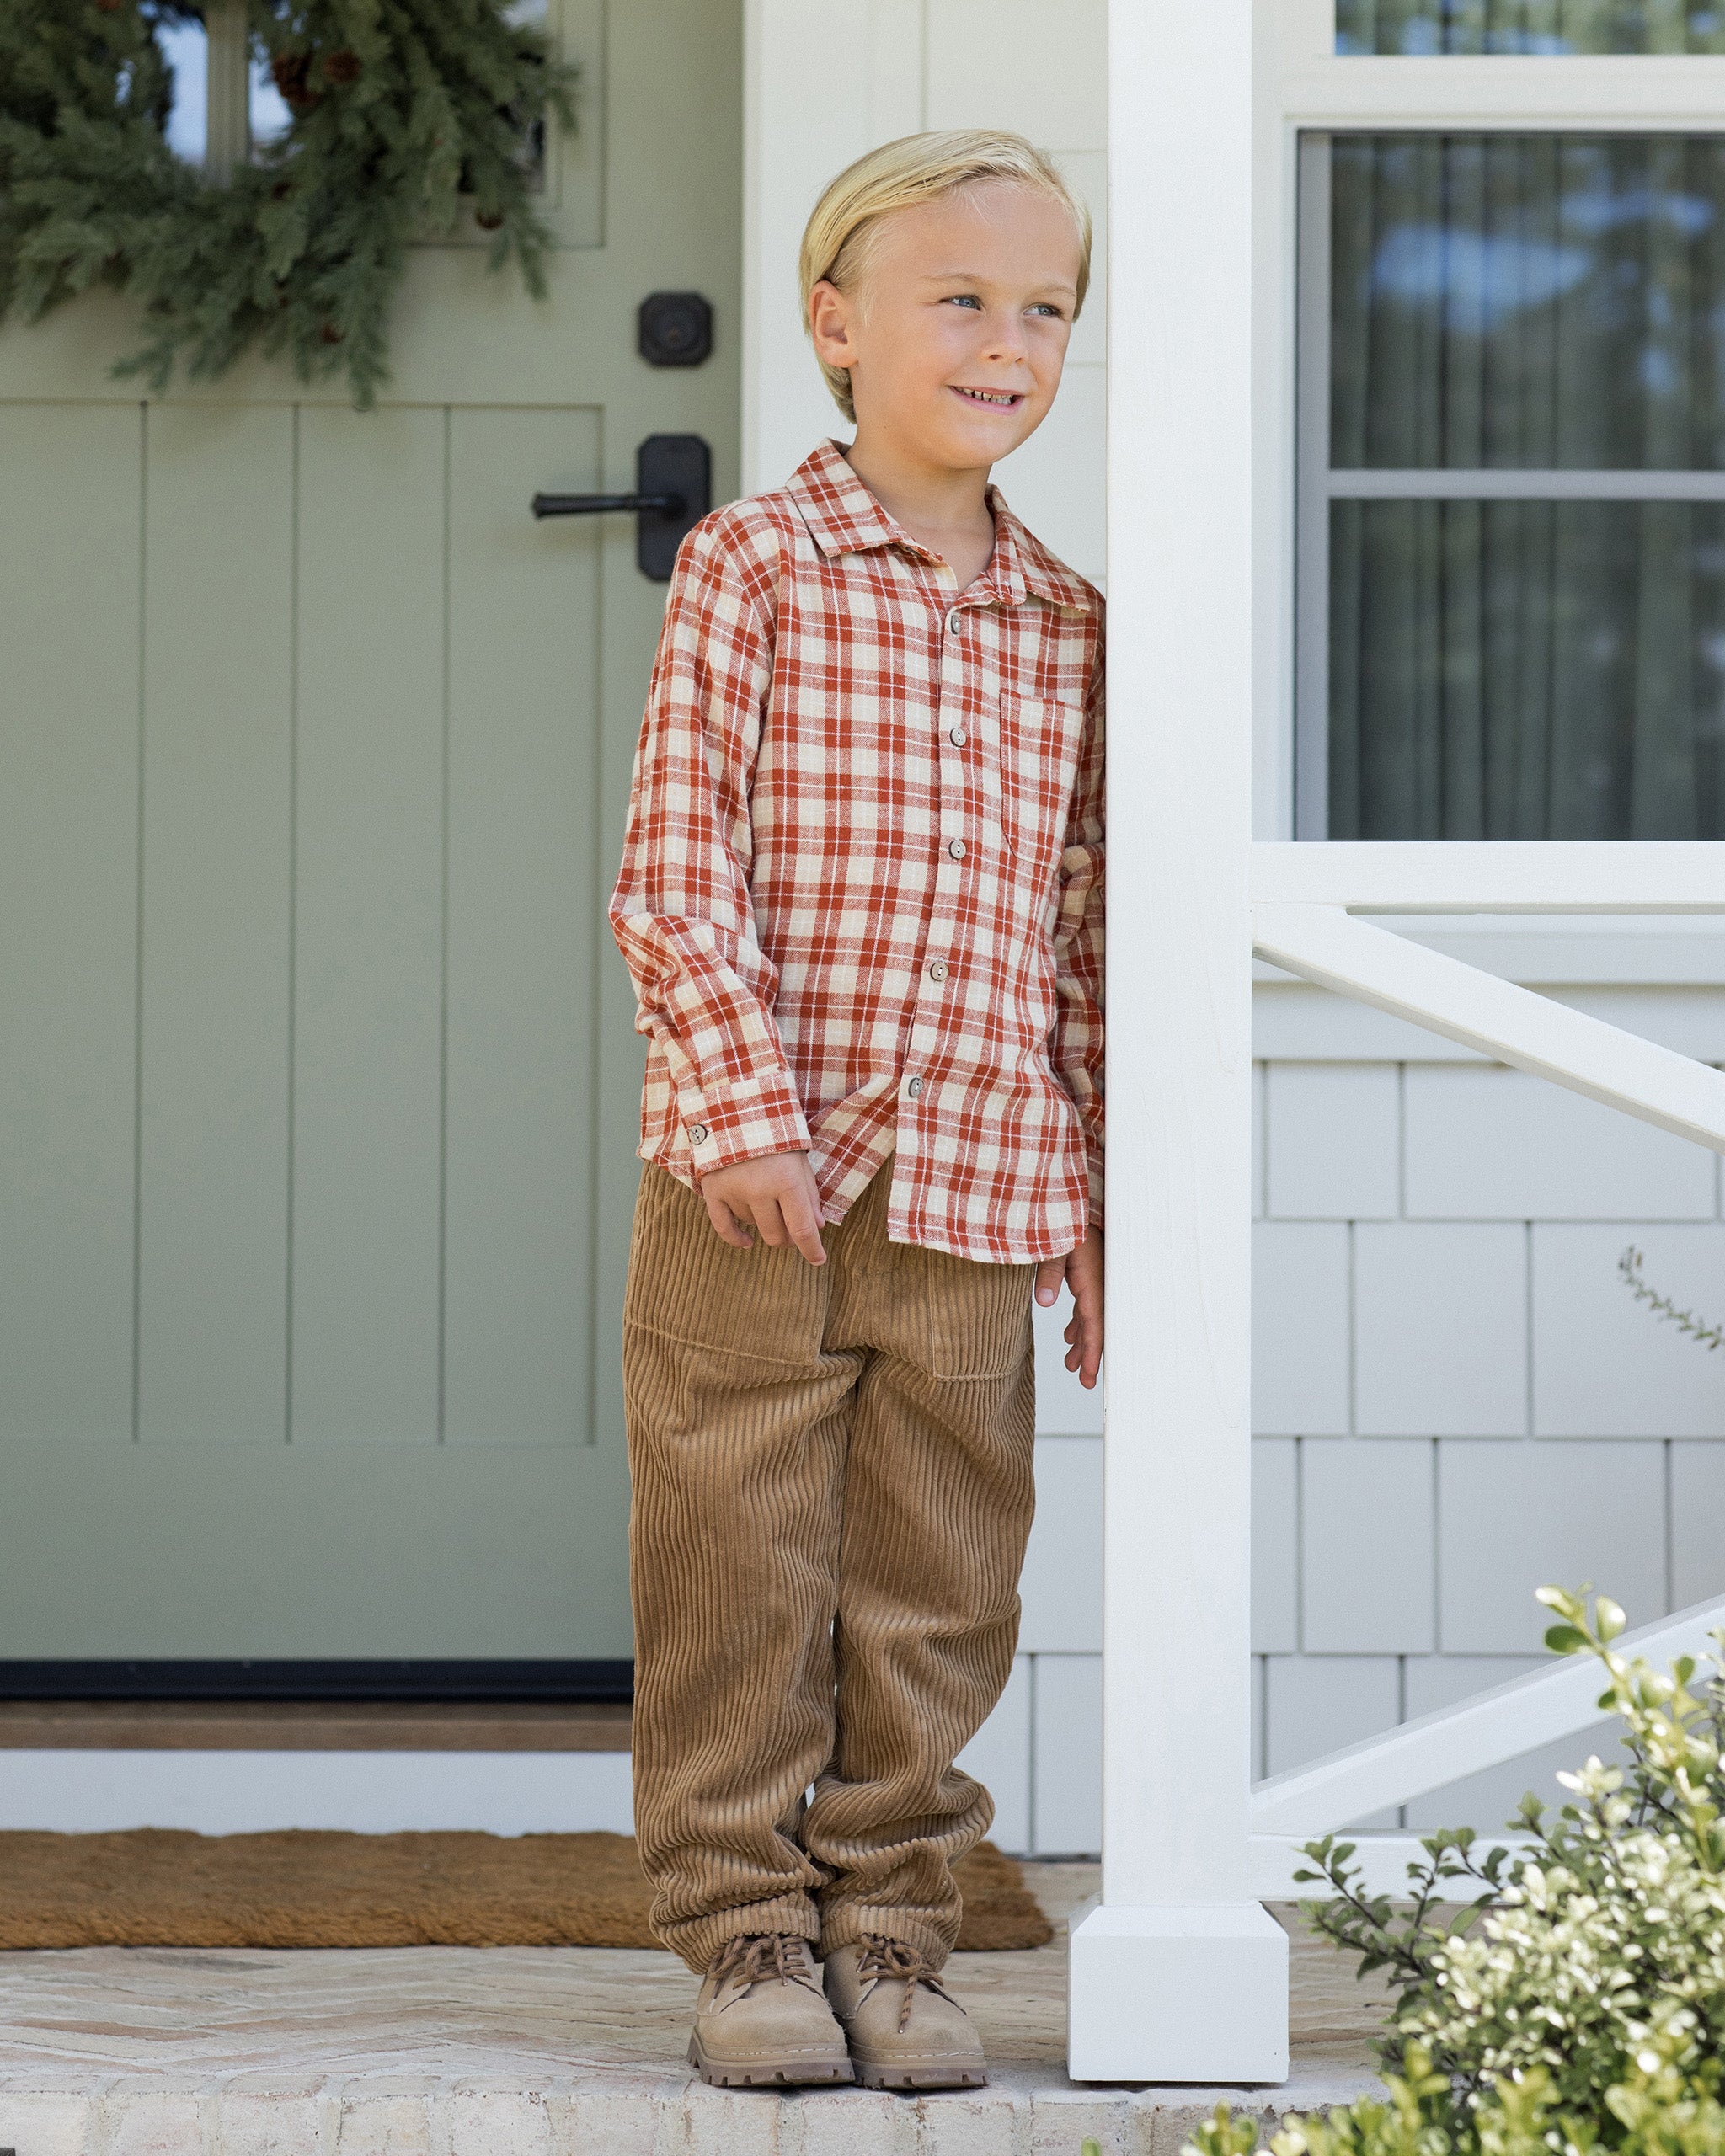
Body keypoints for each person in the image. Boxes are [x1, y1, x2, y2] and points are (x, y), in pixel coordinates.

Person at [607, 127, 1104, 2095]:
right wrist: (734, 1102)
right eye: (959, 298)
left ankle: (894, 1924)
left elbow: (1077, 934)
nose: (1007, 339)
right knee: (738, 1560)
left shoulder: (1067, 624)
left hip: (982, 1171)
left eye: (1043, 306)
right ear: (836, 324)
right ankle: (741, 1924)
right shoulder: (755, 564)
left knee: (936, 1580)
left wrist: (1095, 1205)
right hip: (756, 1181)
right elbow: (674, 863)